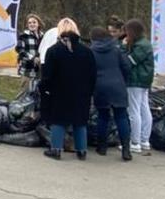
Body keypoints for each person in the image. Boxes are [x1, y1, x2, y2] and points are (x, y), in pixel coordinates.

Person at [41, 19, 96, 160]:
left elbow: (47, 75)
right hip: (82, 92)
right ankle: (82, 151)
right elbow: (93, 74)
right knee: (80, 121)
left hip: (59, 91)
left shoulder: (53, 51)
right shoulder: (87, 51)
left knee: (58, 120)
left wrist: (45, 89)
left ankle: (56, 149)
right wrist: (90, 91)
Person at [89, 26, 134, 160]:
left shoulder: (91, 51)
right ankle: (126, 149)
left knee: (103, 117)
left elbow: (89, 71)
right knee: (121, 117)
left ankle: (102, 147)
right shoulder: (117, 49)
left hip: (100, 87)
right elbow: (127, 67)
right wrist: (123, 80)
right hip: (118, 85)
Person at [124, 19, 154, 156]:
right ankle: (144, 140)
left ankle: (135, 142)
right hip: (144, 81)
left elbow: (130, 61)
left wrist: (124, 47)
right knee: (144, 108)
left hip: (135, 80)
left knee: (134, 111)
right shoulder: (145, 43)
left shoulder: (140, 46)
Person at [15, 15, 43, 90]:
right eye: (29, 23)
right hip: (27, 70)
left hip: (40, 70)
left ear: (38, 24)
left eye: (34, 22)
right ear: (27, 25)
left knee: (39, 94)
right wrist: (33, 58)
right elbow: (20, 50)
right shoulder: (23, 36)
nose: (32, 24)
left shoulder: (43, 36)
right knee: (25, 94)